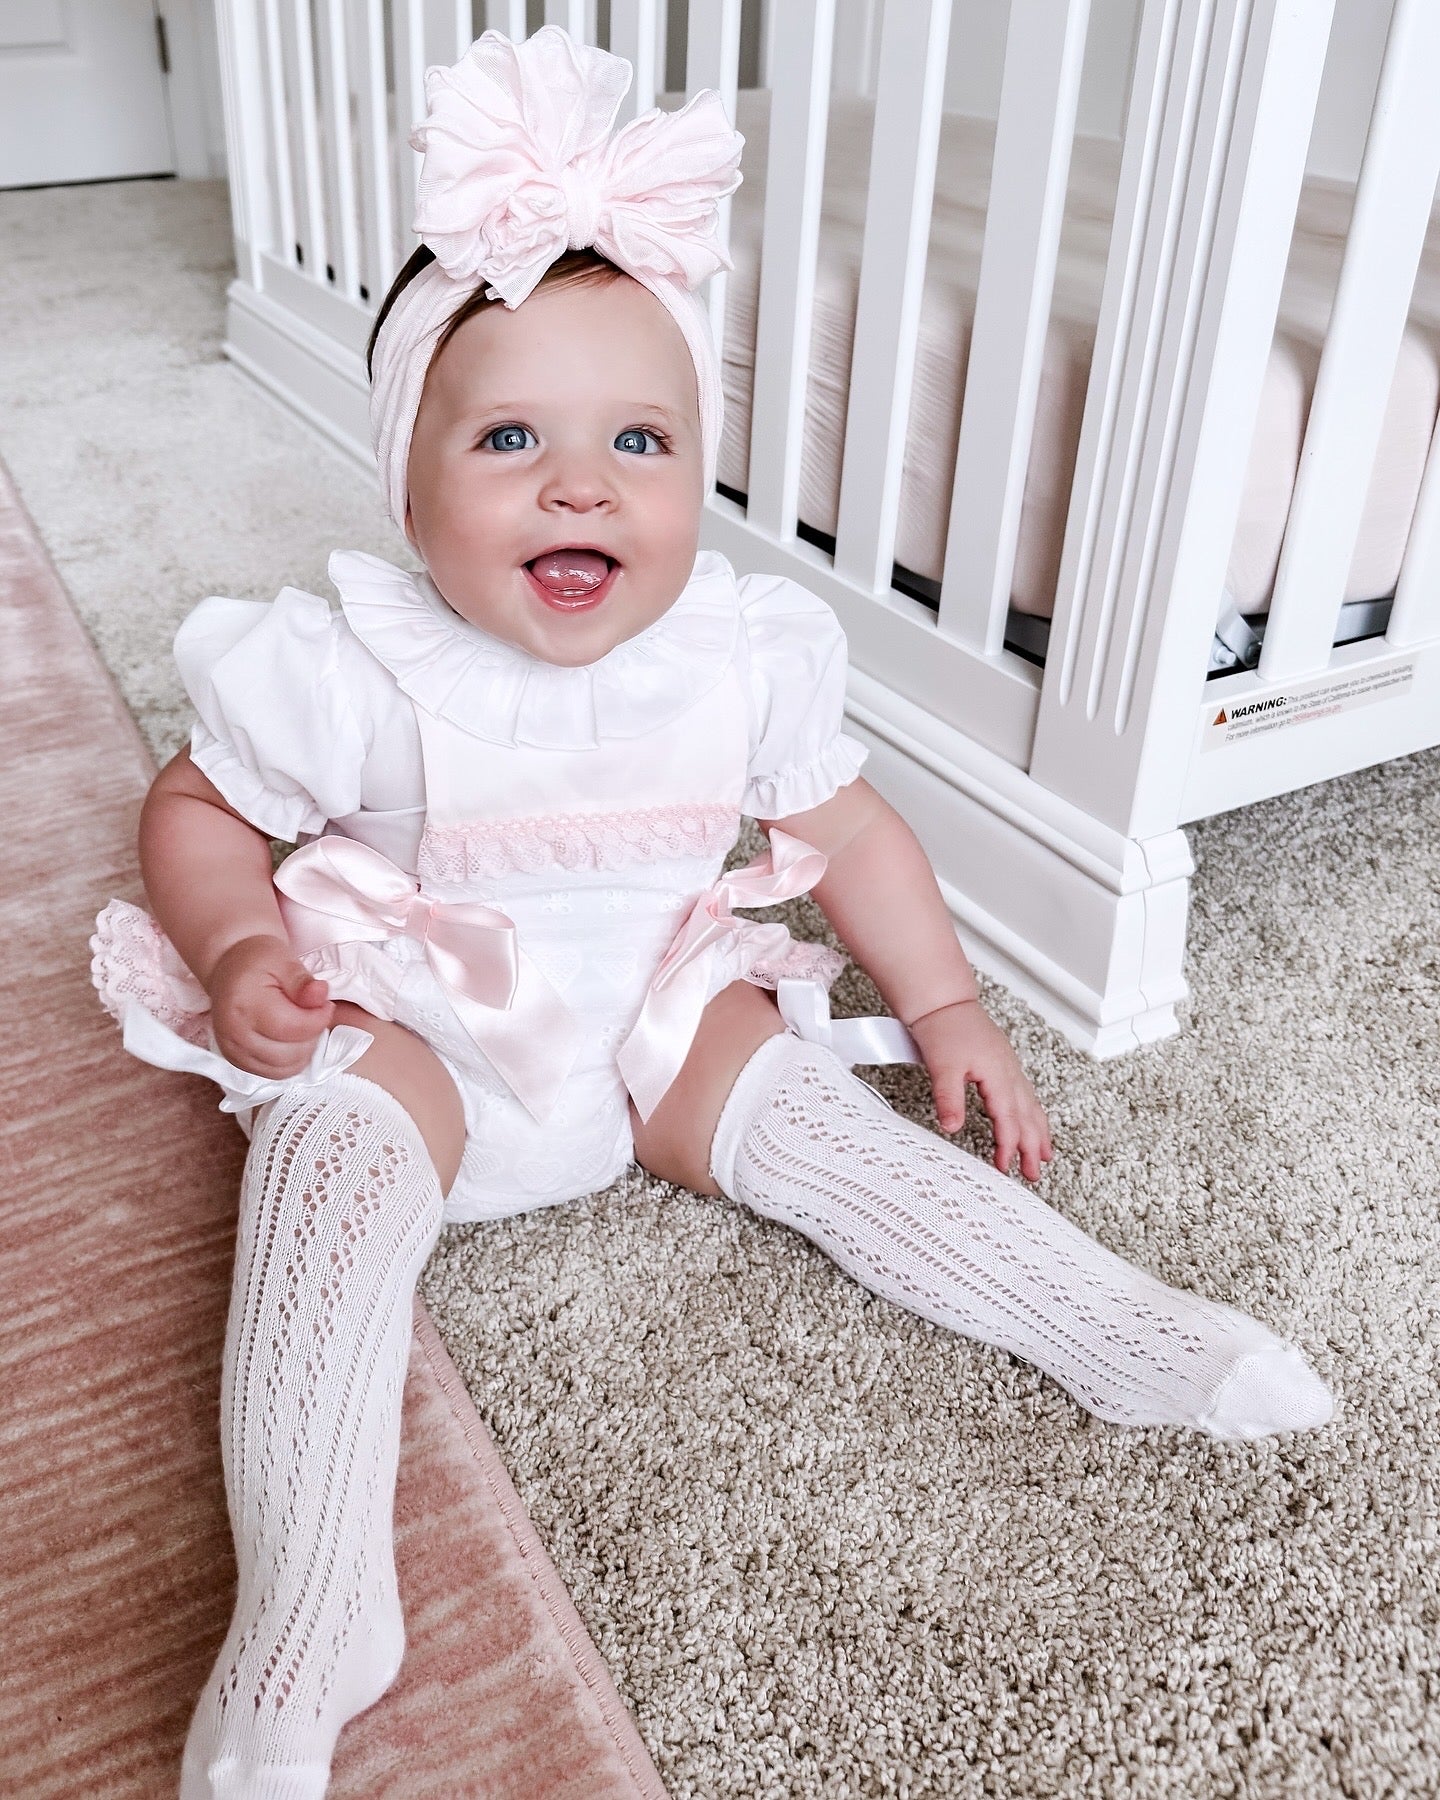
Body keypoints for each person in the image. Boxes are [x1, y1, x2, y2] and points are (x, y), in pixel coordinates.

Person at [89, 28, 1333, 1798]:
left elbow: (856, 831)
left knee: (812, 1118)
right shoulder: (346, 665)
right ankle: (312, 1600)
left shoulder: (737, 657)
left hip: (650, 1014)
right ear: (406, 478)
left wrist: (950, 1005)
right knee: (320, 1167)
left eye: (640, 439)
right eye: (508, 437)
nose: (580, 483)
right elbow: (197, 808)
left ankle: (1114, 1326)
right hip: (421, 1021)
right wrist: (239, 951)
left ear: (696, 467)